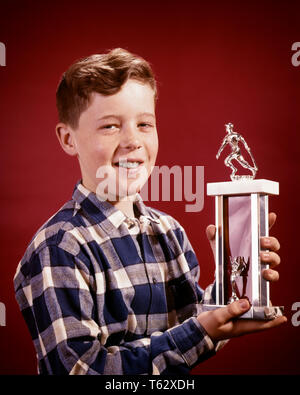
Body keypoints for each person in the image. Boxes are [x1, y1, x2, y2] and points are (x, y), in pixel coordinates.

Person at [13, 48, 286, 375]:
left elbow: (193, 323)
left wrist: (232, 277)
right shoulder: (60, 248)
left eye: (144, 124)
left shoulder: (168, 231)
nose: (132, 140)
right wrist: (203, 330)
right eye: (110, 126)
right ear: (68, 138)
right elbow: (81, 370)